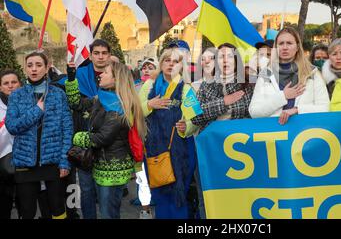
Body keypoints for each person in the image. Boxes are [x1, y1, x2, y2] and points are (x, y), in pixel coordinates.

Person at [70, 61, 146, 219]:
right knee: (108, 211)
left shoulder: (118, 106)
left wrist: (78, 137)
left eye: (105, 72)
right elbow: (77, 104)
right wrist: (71, 78)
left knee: (108, 213)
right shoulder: (103, 97)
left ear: (116, 79)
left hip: (113, 170)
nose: (100, 75)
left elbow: (102, 138)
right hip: (102, 165)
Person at [5, 51, 73, 219]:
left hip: (53, 162)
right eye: (30, 65)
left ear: (46, 67)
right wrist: (36, 111)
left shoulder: (58, 94)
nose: (34, 69)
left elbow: (67, 129)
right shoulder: (16, 95)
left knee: (57, 208)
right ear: (25, 69)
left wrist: (64, 160)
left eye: (38, 65)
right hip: (25, 163)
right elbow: (12, 126)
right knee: (27, 210)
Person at [191, 43, 254, 219]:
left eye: (229, 56)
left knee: (237, 196)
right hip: (210, 151)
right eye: (220, 56)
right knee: (209, 196)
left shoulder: (248, 83)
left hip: (240, 152)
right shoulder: (206, 85)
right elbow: (195, 116)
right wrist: (223, 102)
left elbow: (256, 113)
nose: (224, 60)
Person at [141, 47, 197, 219]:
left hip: (181, 151)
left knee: (178, 196)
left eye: (176, 61)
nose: (171, 64)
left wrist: (185, 126)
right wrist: (149, 105)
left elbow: (195, 119)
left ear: (181, 66)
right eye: (167, 60)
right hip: (154, 149)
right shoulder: (149, 85)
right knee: (159, 196)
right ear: (161, 63)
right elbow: (132, 113)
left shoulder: (186, 89)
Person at [65, 39, 111, 219]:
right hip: (84, 142)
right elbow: (74, 103)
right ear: (90, 56)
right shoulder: (80, 74)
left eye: (104, 53)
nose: (100, 57)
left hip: (110, 144)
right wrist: (70, 77)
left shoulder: (117, 75)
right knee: (86, 189)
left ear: (109, 55)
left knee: (106, 193)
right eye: (96, 53)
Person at [249, 27, 330, 125]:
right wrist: (283, 96)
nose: (285, 47)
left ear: (297, 47)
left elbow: (325, 108)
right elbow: (254, 112)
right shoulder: (266, 74)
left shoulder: (312, 73)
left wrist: (297, 110)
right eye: (281, 43)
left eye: (289, 43)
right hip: (273, 135)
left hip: (304, 134)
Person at [0, 70, 21, 219]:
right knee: (3, 206)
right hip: (2, 166)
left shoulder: (31, 104)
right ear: (0, 87)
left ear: (19, 84)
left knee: (26, 206)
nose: (10, 86)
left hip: (25, 163)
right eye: (6, 83)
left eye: (14, 82)